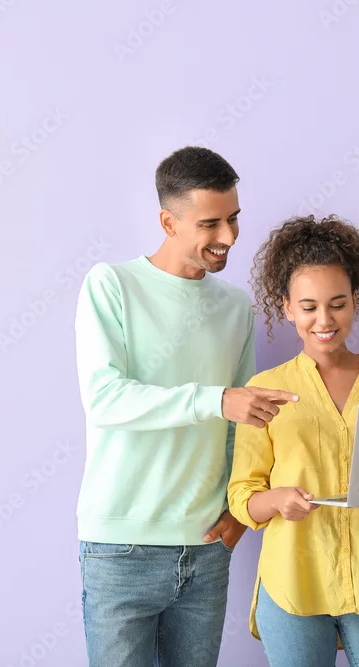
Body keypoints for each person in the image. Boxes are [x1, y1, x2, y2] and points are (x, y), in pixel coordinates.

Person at [73, 146, 299, 666]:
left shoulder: (235, 307)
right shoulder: (112, 285)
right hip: (120, 548)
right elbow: (105, 399)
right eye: (210, 223)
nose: (229, 237)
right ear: (168, 222)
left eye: (234, 218)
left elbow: (244, 429)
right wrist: (215, 399)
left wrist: (239, 513)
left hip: (205, 548)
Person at [227, 214, 359, 666]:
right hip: (293, 584)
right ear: (287, 308)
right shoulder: (265, 390)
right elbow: (243, 497)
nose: (324, 320)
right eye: (309, 307)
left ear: (356, 301)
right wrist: (277, 500)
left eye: (338, 304)